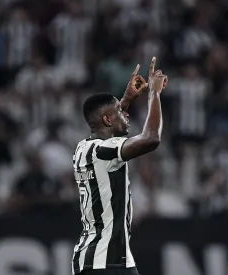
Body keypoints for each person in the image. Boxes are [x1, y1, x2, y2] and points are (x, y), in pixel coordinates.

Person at [72, 57, 167, 275]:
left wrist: (125, 100)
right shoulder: (104, 150)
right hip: (102, 262)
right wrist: (155, 93)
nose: (126, 115)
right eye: (120, 112)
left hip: (113, 259)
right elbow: (151, 138)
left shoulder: (83, 148)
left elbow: (107, 126)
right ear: (107, 119)